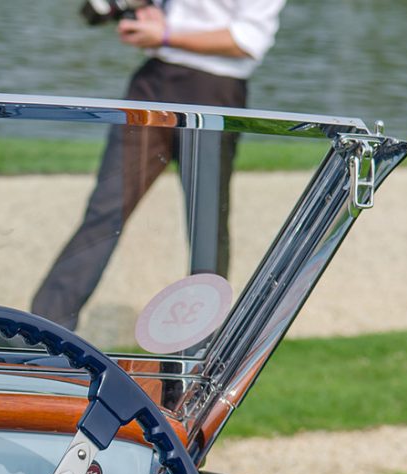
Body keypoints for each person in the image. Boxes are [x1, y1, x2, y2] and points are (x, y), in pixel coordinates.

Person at [30, 0, 284, 333]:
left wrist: (165, 34)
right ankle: (44, 330)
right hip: (154, 80)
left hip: (214, 90)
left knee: (206, 223)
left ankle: (202, 339)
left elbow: (247, 40)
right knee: (106, 206)